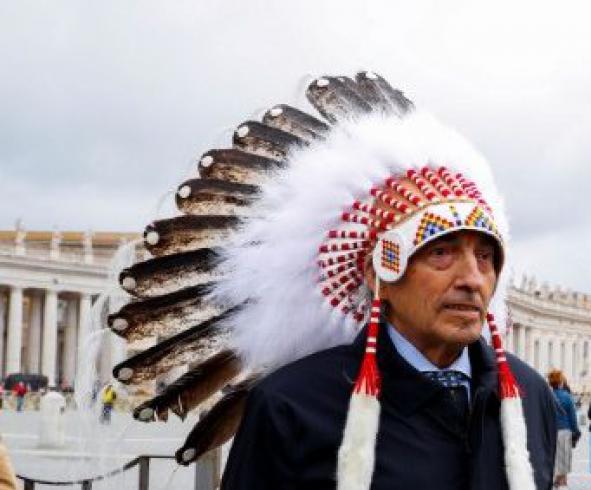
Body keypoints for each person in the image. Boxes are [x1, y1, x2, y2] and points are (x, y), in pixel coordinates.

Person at [213, 81, 557, 489]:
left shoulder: (530, 396)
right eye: (441, 253)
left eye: (485, 257)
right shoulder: (293, 406)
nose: (472, 279)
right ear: (381, 276)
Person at [552, 371, 580, 490]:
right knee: (563, 460)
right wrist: (576, 432)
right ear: (561, 382)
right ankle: (562, 483)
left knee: (554, 458)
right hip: (564, 431)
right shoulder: (566, 396)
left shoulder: (548, 395)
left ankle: (555, 482)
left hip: (551, 431)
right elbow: (572, 417)